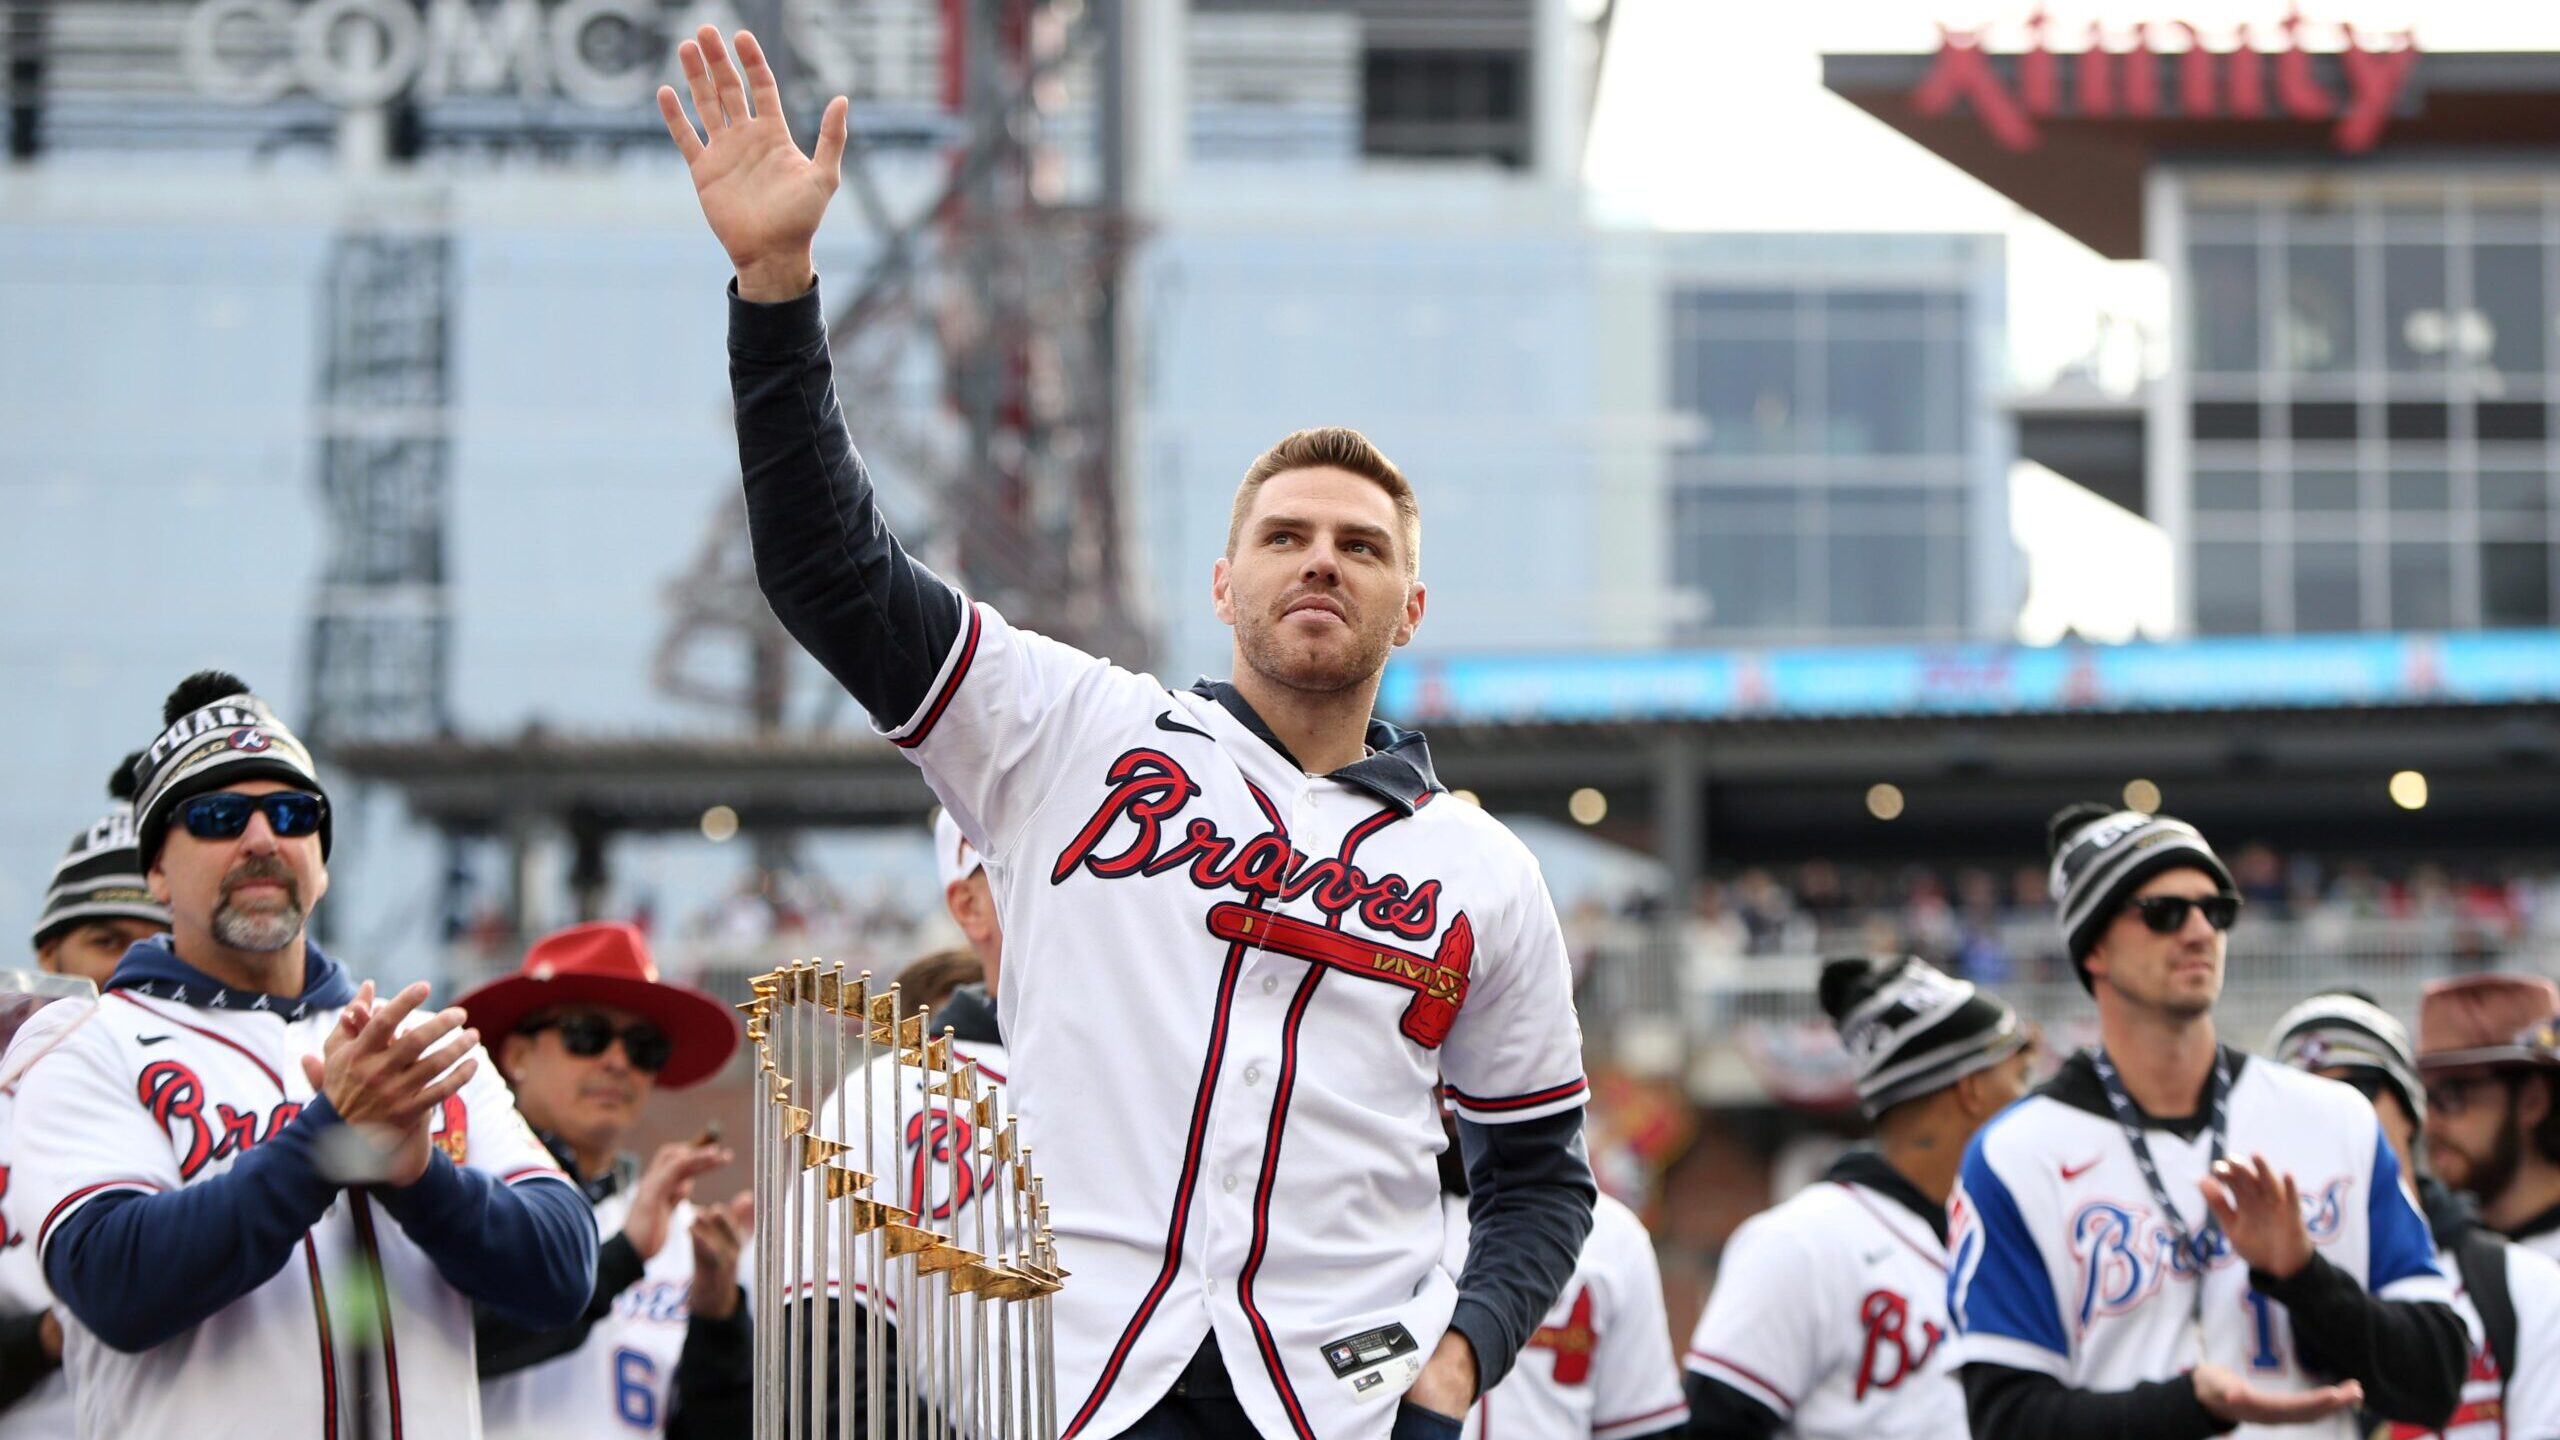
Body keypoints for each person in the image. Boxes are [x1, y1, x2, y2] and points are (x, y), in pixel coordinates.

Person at [659, 31, 1596, 1439]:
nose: (1320, 562)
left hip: (1342, 1405)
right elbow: (830, 575)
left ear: (1413, 602)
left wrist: (1457, 1367)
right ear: (1225, 585)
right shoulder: (1073, 728)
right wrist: (776, 289)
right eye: (1283, 537)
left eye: (1359, 544)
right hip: (1083, 1388)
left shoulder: (1482, 872)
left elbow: (1538, 1178)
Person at [3, 671, 597, 1438]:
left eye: (291, 814)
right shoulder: (83, 1045)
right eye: (218, 816)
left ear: (319, 857)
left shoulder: (412, 1044)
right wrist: (328, 1139)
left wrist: (419, 1176)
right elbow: (118, 1286)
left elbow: (562, 1271)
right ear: (155, 871)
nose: (261, 840)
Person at [1947, 803, 2464, 1439]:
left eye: (2215, 909)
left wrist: (2304, 1278)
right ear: (2096, 948)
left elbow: (2437, 1379)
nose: (2199, 931)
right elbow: (2006, 1422)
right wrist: (2190, 1405)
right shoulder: (2015, 1153)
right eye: (2164, 913)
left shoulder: (2336, 1119)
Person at [1685, 955, 2035, 1438]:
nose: (2027, 1100)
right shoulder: (1801, 1241)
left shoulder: (1991, 1242)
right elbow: (1711, 1426)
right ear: (1970, 1088)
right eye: (2019, 1077)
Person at [462, 920, 751, 1439]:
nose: (618, 1062)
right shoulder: (461, 1195)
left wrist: (720, 1320)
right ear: (517, 1055)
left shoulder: (682, 1233)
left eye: (643, 1047)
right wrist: (625, 1256)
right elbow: (465, 1346)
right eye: (585, 1035)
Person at [2270, 989, 2560, 1440]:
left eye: (2354, 1090)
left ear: (2411, 1110)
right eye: (2301, 1101)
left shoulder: (2525, 1285)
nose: (2329, 1114)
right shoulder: (2247, 1297)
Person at [0, 756, 172, 1434]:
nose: (134, 963)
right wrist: (54, 1331)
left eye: (161, 941)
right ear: (50, 956)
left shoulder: (235, 1091)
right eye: (107, 941)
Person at [2412, 973, 2560, 1261]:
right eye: (2425, 1098)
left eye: (2453, 1095)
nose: (2429, 1124)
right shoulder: (2433, 1255)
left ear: (2534, 1100)